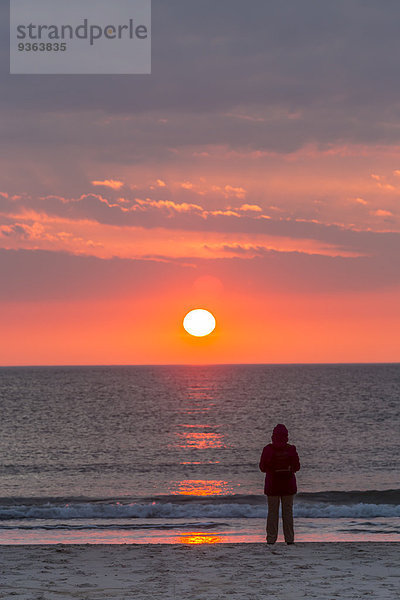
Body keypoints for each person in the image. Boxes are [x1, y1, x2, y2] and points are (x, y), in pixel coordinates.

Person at [259, 424, 300, 545]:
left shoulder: (268, 449)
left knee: (272, 513)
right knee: (288, 513)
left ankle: (271, 539)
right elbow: (297, 467)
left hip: (272, 485)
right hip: (288, 485)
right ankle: (289, 539)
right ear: (286, 436)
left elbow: (262, 468)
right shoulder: (291, 449)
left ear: (273, 436)